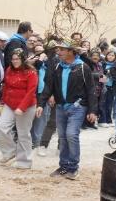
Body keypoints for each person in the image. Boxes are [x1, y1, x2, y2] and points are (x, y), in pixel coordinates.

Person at [38, 41, 97, 180]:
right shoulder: (57, 66)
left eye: (62, 50)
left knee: (71, 134)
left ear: (71, 51)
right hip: (60, 107)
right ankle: (64, 166)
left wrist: (93, 110)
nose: (59, 52)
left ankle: (73, 167)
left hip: (77, 107)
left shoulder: (83, 67)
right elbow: (48, 86)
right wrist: (41, 103)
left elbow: (91, 89)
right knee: (63, 137)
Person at [0, 49, 38, 169]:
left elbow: (31, 92)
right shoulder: (9, 70)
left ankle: (25, 161)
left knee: (23, 134)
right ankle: (10, 152)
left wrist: (21, 107)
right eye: (13, 59)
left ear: (23, 59)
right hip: (9, 104)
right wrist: (2, 102)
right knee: (1, 127)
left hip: (26, 106)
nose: (14, 61)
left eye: (17, 59)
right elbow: (6, 87)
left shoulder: (31, 72)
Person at [99, 50, 116, 126]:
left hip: (112, 87)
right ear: (106, 56)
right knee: (103, 103)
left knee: (110, 104)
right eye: (109, 55)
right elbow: (100, 75)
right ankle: (102, 120)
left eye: (113, 55)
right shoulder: (103, 64)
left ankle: (109, 120)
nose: (111, 57)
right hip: (104, 86)